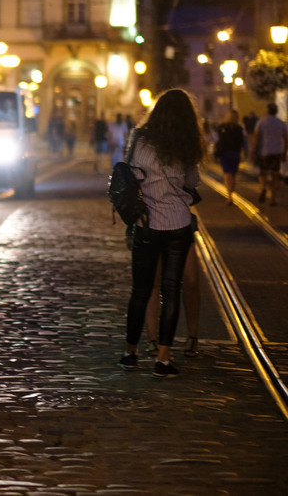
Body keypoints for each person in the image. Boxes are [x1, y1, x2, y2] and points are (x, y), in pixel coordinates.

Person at [118, 89, 205, 379]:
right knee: (171, 290)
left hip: (145, 223)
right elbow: (193, 181)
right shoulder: (186, 143)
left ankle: (131, 353)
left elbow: (128, 175)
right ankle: (164, 360)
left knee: (140, 290)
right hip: (178, 224)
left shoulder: (139, 138)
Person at [252, 102, 288, 206]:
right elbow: (286, 139)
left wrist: (253, 151)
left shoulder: (261, 122)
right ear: (276, 111)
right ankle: (273, 199)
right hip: (277, 152)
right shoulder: (281, 123)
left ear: (267, 110)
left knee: (263, 173)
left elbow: (256, 137)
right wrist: (284, 153)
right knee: (275, 175)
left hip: (264, 152)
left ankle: (263, 188)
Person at [212, 110, 246, 205]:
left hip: (225, 153)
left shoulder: (222, 127)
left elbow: (219, 139)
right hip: (235, 153)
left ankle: (229, 196)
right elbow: (242, 142)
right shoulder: (239, 128)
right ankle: (231, 193)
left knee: (227, 174)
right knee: (233, 175)